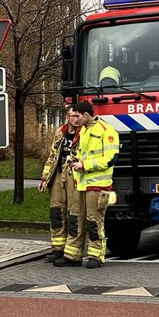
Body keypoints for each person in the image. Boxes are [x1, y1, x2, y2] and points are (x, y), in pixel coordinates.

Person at [57, 100, 120, 269]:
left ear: (86, 115)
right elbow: (80, 152)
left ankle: (96, 256)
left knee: (94, 222)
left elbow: (109, 159)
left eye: (77, 116)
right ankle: (72, 256)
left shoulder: (107, 131)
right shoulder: (83, 130)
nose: (75, 119)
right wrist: (76, 161)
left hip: (98, 185)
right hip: (81, 183)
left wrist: (84, 165)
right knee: (75, 219)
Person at [38, 98, 77, 261]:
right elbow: (52, 156)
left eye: (77, 115)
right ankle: (57, 249)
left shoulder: (84, 134)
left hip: (74, 176)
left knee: (73, 213)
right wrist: (45, 177)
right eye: (72, 115)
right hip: (58, 175)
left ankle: (72, 250)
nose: (75, 119)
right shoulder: (60, 132)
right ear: (67, 117)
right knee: (56, 212)